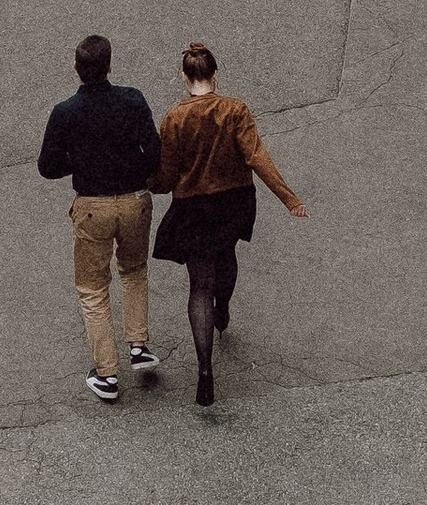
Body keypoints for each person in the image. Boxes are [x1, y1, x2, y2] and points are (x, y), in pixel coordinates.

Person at [151, 41, 305, 407]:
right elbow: (257, 157)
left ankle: (205, 369)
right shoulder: (235, 109)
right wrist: (289, 198)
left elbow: (166, 176)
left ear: (184, 78)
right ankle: (224, 310)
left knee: (198, 285)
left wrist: (147, 183)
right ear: (215, 75)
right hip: (233, 201)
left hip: (193, 208)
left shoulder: (174, 117)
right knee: (227, 254)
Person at [35, 33, 162, 403]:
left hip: (93, 206)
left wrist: (81, 161)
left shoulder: (65, 113)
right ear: (109, 66)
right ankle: (139, 345)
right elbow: (153, 152)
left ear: (77, 68)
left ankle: (106, 373)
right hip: (135, 200)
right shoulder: (132, 100)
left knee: (93, 288)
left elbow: (47, 166)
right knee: (134, 271)